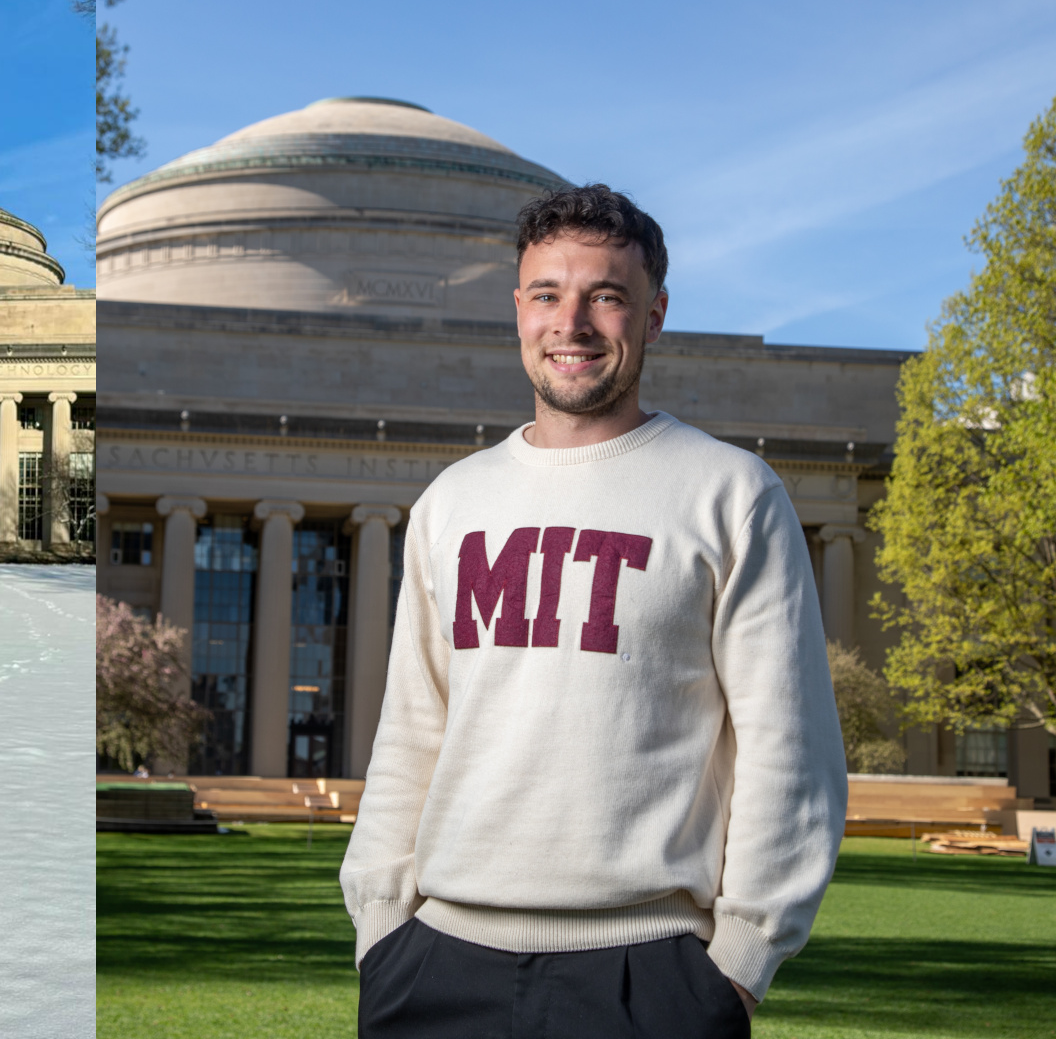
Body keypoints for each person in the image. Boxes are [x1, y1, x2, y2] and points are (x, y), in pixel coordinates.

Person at [340, 184, 847, 1038]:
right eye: (548, 294)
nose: (570, 323)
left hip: (648, 977)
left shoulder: (730, 494)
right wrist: (383, 929)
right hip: (434, 967)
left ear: (651, 317)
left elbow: (788, 744)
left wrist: (740, 964)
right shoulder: (452, 502)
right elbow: (412, 729)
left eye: (606, 296)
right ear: (518, 310)